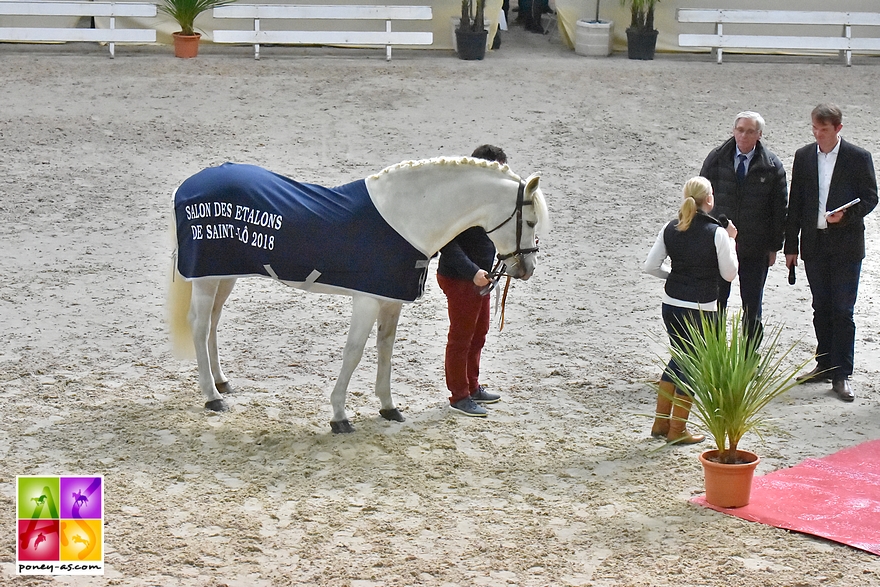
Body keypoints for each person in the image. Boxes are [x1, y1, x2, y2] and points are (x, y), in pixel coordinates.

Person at [784, 103, 878, 402]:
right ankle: (824, 363)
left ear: (837, 128)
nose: (818, 134)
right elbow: (795, 202)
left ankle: (842, 373)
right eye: (814, 128)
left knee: (843, 310)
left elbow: (871, 197)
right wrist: (791, 246)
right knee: (820, 307)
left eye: (823, 129)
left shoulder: (857, 157)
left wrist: (847, 216)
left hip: (846, 245)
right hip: (815, 243)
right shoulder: (804, 156)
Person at [643, 176, 738, 443]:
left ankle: (661, 424)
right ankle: (678, 430)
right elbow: (729, 274)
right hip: (701, 308)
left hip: (671, 305)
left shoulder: (670, 227)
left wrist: (674, 276)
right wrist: (731, 241)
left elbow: (650, 266)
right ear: (710, 199)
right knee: (691, 365)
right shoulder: (717, 232)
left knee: (678, 359)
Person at [700, 111, 788, 341]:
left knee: (752, 306)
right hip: (718, 244)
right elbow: (700, 199)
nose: (744, 136)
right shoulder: (716, 159)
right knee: (715, 304)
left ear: (759, 135)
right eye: (740, 130)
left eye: (750, 131)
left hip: (755, 247)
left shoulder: (771, 166)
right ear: (733, 131)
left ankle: (750, 358)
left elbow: (780, 209)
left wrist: (774, 246)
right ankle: (713, 354)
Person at [437, 144, 507, 417]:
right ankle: (459, 395)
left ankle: (472, 385)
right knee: (461, 338)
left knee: (478, 335)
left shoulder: (489, 198)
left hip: (481, 277)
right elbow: (447, 243)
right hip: (460, 277)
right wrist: (472, 272)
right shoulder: (460, 200)